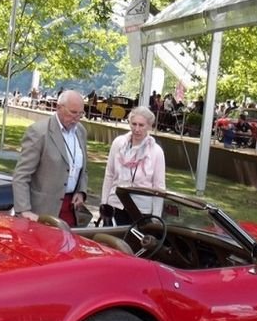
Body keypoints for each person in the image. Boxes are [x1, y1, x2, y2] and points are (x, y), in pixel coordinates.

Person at [13, 90, 88, 227]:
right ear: (59, 107)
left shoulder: (81, 131)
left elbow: (82, 168)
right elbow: (21, 176)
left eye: (80, 113)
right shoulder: (39, 132)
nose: (76, 118)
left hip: (70, 212)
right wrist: (24, 210)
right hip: (42, 213)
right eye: (73, 112)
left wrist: (81, 191)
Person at [99, 107, 165, 226]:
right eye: (134, 124)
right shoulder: (118, 143)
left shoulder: (156, 151)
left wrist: (156, 218)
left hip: (140, 211)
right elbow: (109, 175)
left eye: (141, 125)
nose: (137, 129)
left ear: (149, 126)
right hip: (115, 205)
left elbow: (159, 187)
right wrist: (104, 203)